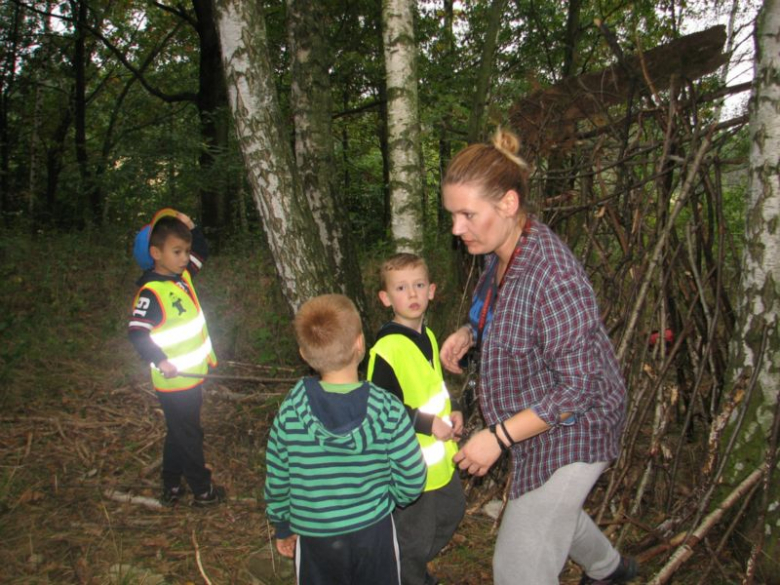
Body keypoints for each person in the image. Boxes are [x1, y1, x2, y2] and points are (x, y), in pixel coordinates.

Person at [438, 128, 637, 585]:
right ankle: (610, 571)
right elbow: (506, 310)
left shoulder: (554, 275)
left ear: (508, 203)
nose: (456, 229)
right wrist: (470, 331)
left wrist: (498, 437)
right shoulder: (500, 250)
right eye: (453, 215)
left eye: (468, 214)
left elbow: (580, 390)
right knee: (549, 510)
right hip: (536, 410)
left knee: (517, 568)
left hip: (578, 424)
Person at [264, 294, 427, 585]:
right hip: (374, 531)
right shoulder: (388, 408)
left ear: (304, 354)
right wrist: (394, 497)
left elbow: (278, 477)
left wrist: (283, 523)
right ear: (360, 343)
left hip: (316, 538)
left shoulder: (290, 410)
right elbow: (413, 476)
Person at [367, 253, 466, 585]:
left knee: (452, 512)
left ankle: (404, 567)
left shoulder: (430, 336)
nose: (412, 294)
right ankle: (406, 574)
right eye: (401, 287)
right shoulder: (387, 349)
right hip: (408, 467)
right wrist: (426, 424)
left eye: (419, 285)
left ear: (432, 290)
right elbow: (379, 407)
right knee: (416, 539)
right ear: (385, 298)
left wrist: (451, 411)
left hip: (438, 462)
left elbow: (431, 386)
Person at [128, 208, 225, 507]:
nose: (185, 257)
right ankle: (202, 490)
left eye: (185, 251)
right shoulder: (152, 292)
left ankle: (171, 484)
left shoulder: (181, 277)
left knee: (179, 431)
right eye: (177, 251)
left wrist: (189, 224)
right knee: (190, 434)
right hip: (173, 380)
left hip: (190, 377)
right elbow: (137, 332)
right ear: (156, 253)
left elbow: (202, 250)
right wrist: (161, 360)